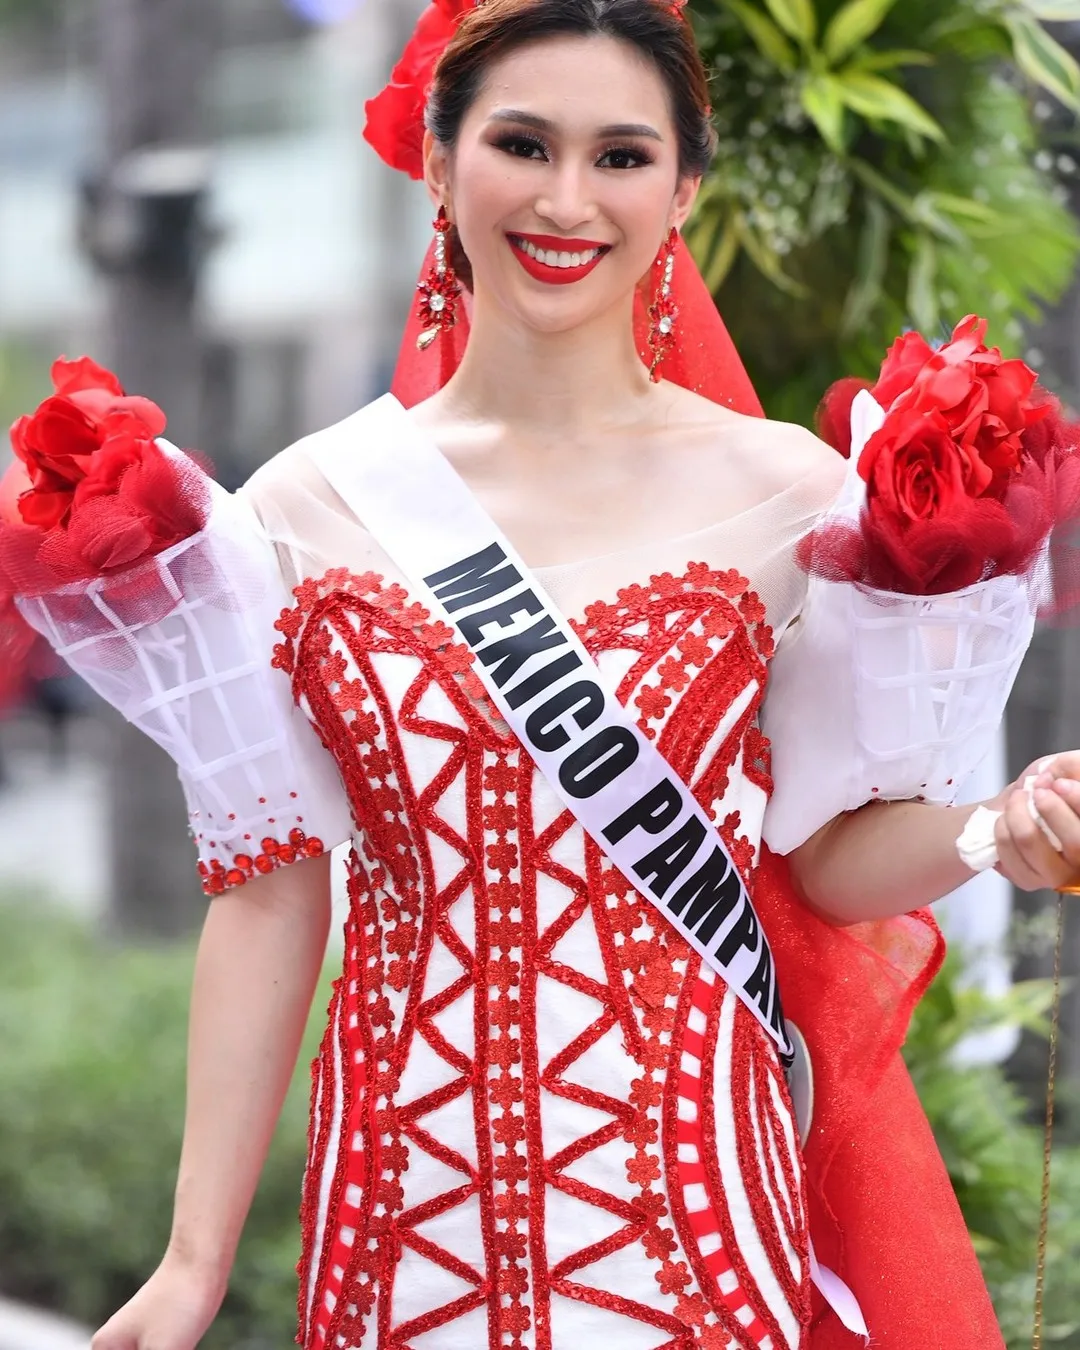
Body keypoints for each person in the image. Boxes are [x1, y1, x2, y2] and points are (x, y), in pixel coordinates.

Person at [31, 2, 1077, 1348]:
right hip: (393, 1225)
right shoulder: (308, 504)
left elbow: (829, 861)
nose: (566, 198)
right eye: (522, 143)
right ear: (440, 156)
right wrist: (190, 1263)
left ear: (683, 188)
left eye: (622, 156)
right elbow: (271, 890)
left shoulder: (792, 495)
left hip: (690, 1226)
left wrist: (1002, 830)